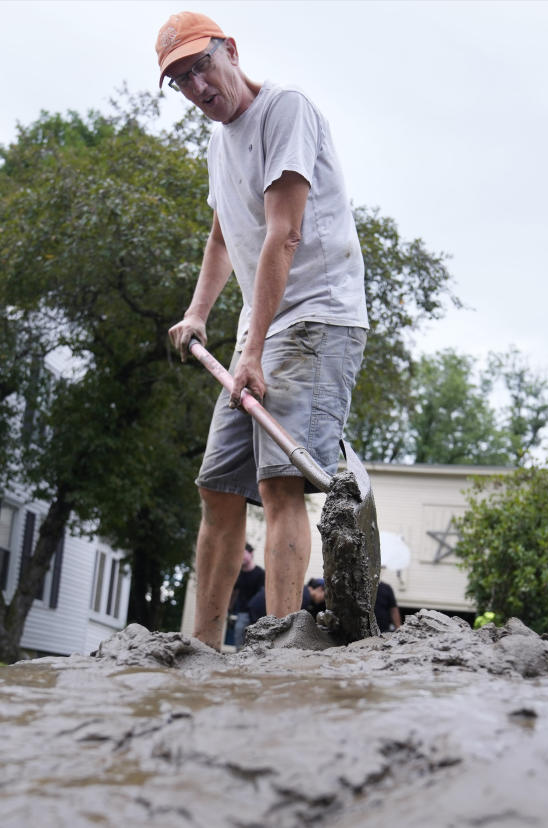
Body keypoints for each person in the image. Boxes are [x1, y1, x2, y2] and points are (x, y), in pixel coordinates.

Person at [159, 11, 369, 648]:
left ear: (231, 51)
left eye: (201, 66)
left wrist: (248, 352)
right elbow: (224, 235)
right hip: (265, 329)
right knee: (217, 487)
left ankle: (282, 650)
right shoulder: (218, 144)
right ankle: (203, 649)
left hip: (318, 318)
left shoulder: (286, 111)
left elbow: (284, 235)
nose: (197, 87)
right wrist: (199, 313)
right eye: (180, 80)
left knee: (280, 484)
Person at [228, 543, 264, 648]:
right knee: (239, 633)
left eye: (242, 553)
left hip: (257, 614)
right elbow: (233, 593)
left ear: (251, 553)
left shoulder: (260, 573)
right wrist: (229, 610)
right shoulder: (237, 574)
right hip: (242, 613)